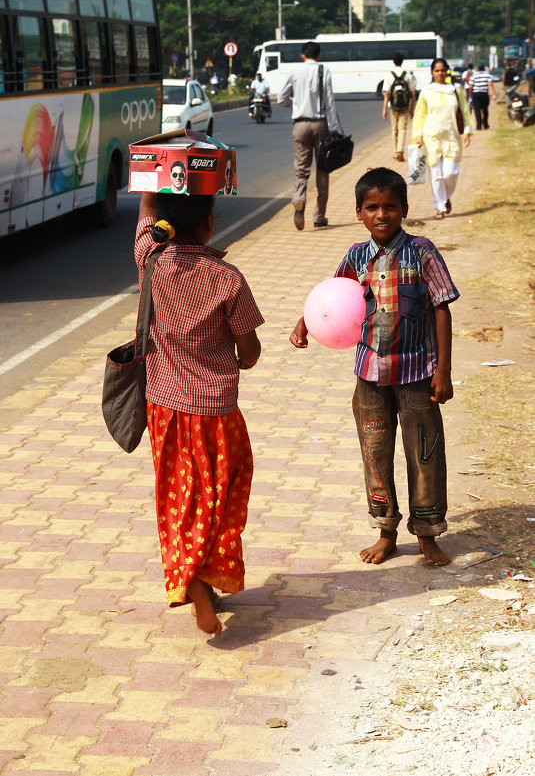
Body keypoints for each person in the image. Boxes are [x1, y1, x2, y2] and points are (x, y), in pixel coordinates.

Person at [290, 167, 459, 567]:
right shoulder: (355, 255)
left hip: (417, 374)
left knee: (425, 455)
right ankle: (386, 531)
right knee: (375, 454)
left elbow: (441, 308)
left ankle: (428, 534)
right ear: (359, 212)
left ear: (403, 208)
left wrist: (444, 371)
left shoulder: (422, 252)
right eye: (371, 208)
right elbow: (331, 298)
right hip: (369, 375)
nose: (381, 215)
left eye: (389, 206)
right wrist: (303, 323)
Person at [135, 191, 264, 635]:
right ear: (209, 223)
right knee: (222, 496)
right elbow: (249, 350)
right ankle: (208, 577)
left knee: (178, 497)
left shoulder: (150, 261)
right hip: (217, 412)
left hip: (165, 409)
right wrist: (241, 359)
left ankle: (189, 579)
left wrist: (157, 174)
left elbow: (146, 214)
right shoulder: (227, 279)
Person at [277, 40, 341, 231]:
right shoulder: (324, 71)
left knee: (301, 169)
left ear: (302, 55)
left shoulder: (295, 71)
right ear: (319, 56)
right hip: (321, 124)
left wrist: (296, 104)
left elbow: (281, 98)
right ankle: (319, 216)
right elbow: (330, 102)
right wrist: (334, 128)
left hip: (300, 125)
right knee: (323, 169)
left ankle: (299, 199)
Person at [412, 58, 473, 220]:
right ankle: (440, 207)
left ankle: (445, 197)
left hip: (451, 137)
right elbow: (420, 115)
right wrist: (418, 135)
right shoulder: (426, 91)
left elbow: (465, 112)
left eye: (442, 70)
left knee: (451, 173)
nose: (440, 73)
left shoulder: (455, 90)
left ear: (447, 71)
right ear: (432, 72)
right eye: (436, 70)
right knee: (436, 175)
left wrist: (467, 131)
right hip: (431, 137)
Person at [382, 52, 416, 162]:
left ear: (393, 61)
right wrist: (411, 108)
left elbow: (387, 93)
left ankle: (395, 152)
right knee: (402, 129)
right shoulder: (407, 75)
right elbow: (412, 93)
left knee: (394, 129)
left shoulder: (389, 75)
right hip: (405, 106)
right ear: (402, 61)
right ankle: (400, 150)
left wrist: (384, 109)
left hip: (393, 106)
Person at [469, 63, 497, 130]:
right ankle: (485, 124)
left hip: (476, 94)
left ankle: (478, 126)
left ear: (478, 68)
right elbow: (490, 84)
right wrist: (494, 94)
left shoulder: (474, 75)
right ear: (484, 68)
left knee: (477, 110)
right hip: (484, 94)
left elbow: (471, 86)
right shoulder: (487, 75)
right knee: (485, 109)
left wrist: (470, 94)